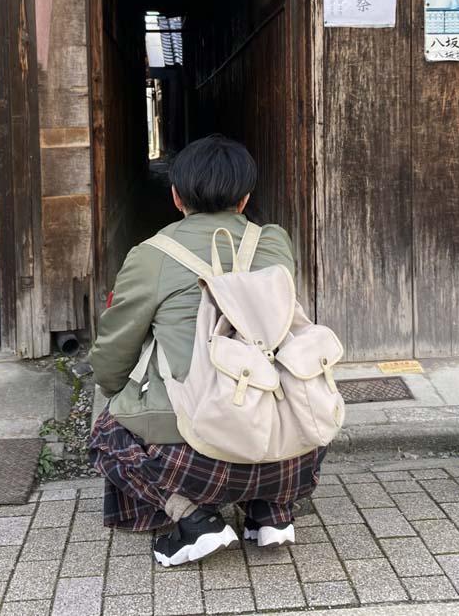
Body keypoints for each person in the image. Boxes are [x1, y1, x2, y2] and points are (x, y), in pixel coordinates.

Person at [88, 135, 325, 567]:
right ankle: (269, 511)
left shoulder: (151, 255)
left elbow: (114, 349)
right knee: (267, 381)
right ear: (245, 198)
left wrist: (113, 388)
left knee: (107, 429)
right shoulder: (273, 242)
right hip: (290, 446)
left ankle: (195, 519)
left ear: (176, 197)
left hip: (196, 457)